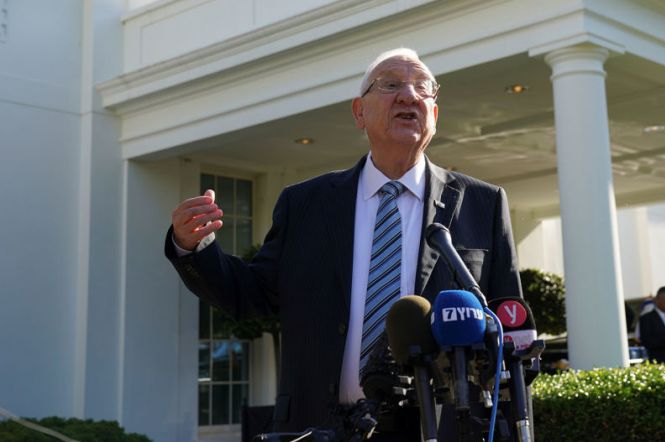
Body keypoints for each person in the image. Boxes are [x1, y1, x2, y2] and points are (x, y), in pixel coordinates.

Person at [164, 48, 522, 440]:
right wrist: (193, 247)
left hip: (441, 429)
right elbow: (253, 294)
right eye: (390, 85)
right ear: (359, 112)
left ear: (434, 114)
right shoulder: (305, 204)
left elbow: (511, 337)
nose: (409, 96)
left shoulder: (483, 204)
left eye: (422, 88)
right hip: (322, 427)